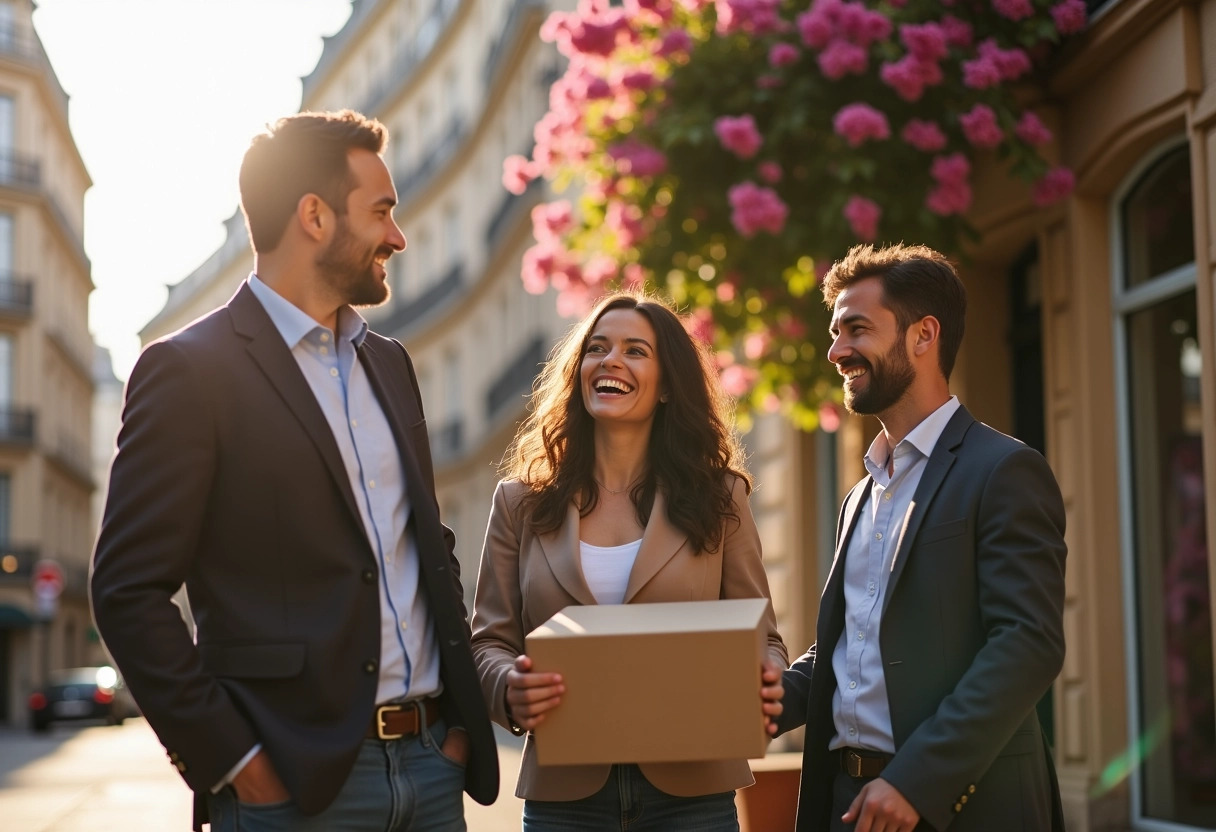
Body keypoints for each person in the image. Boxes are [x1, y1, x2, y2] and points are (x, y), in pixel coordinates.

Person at [90, 110, 498, 832]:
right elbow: (128, 591)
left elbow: (425, 547)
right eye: (381, 212)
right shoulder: (188, 372)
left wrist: (456, 734)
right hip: (296, 789)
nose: (397, 237)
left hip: (432, 772)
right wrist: (237, 764)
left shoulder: (391, 364)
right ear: (314, 215)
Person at [775, 243, 1067, 832]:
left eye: (856, 329)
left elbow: (1026, 645)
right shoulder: (859, 495)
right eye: (834, 333)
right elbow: (851, 649)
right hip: (846, 802)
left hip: (963, 803)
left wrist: (916, 780)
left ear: (923, 335)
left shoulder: (1004, 470)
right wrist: (765, 700)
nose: (836, 352)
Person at [470, 292, 788, 832]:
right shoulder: (520, 502)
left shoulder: (719, 496)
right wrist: (508, 687)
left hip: (694, 797)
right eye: (597, 348)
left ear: (667, 386)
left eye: (635, 350)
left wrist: (767, 676)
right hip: (565, 800)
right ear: (579, 373)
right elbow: (487, 642)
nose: (610, 360)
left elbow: (765, 639)